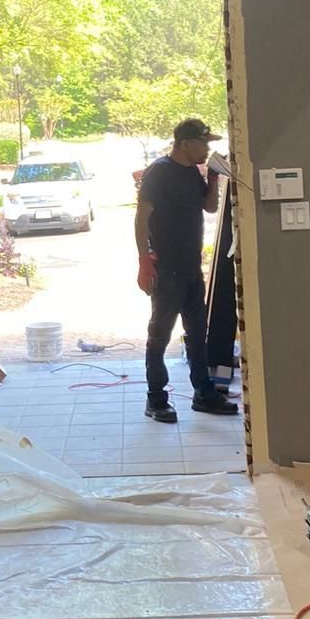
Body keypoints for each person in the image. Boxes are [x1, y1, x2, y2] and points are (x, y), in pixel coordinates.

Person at [135, 118, 239, 423]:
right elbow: (141, 218)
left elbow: (209, 207)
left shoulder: (193, 171)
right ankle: (156, 399)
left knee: (197, 334)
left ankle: (203, 394)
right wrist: (144, 262)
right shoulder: (160, 172)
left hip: (191, 268)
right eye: (203, 143)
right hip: (167, 269)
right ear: (185, 143)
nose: (207, 149)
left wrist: (213, 178)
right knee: (159, 335)